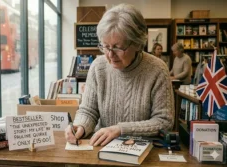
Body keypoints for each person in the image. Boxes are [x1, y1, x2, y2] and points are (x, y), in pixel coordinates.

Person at [65, 4, 174, 147]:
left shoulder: (157, 70)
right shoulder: (98, 67)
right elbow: (88, 110)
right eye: (105, 46)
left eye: (117, 47)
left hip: (141, 151)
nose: (110, 55)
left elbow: (164, 122)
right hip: (101, 148)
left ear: (137, 44)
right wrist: (80, 126)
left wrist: (120, 130)